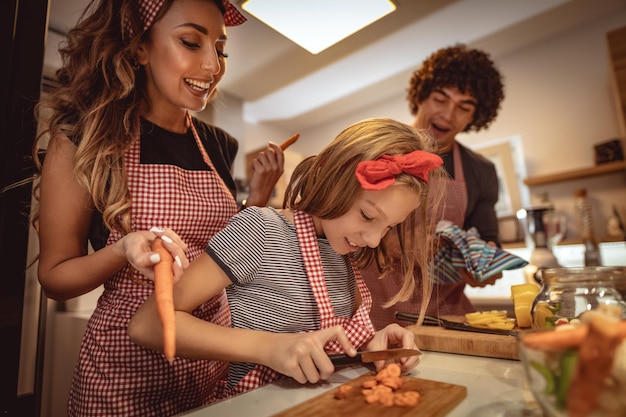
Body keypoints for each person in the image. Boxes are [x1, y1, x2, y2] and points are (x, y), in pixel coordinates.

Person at [33, 0, 285, 415]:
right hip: (123, 377)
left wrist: (256, 201)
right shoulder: (86, 135)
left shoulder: (219, 145)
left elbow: (222, 250)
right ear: (139, 48)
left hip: (209, 365)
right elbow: (55, 277)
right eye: (191, 42)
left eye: (220, 50)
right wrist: (122, 249)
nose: (213, 65)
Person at [128, 117, 447, 399]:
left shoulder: (341, 251)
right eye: (367, 215)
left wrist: (373, 346)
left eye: (389, 226)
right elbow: (148, 325)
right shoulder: (261, 229)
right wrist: (269, 348)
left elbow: (326, 347)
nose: (374, 239)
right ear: (330, 177)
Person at [362, 44, 505, 328]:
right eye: (441, 99)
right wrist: (394, 243)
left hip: (445, 319)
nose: (448, 115)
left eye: (464, 107)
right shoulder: (375, 147)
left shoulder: (481, 171)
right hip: (371, 316)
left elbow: (488, 242)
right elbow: (332, 232)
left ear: (475, 116)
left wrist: (485, 265)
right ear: (422, 96)